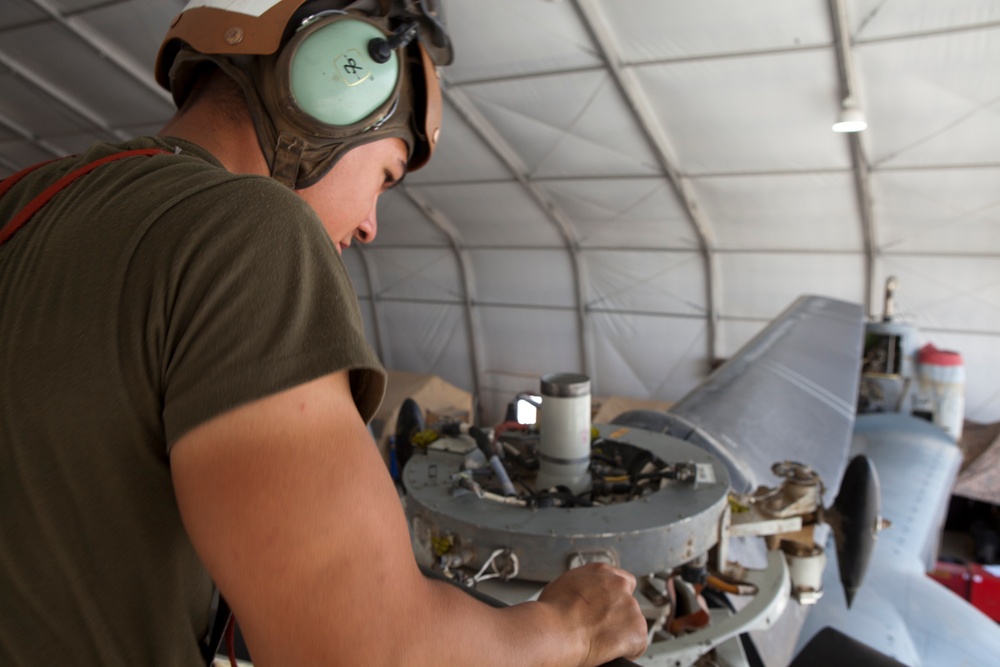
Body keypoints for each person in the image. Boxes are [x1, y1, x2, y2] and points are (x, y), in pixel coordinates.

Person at [0, 1, 648, 665]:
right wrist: (572, 626)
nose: (369, 225)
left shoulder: (21, 201)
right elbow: (368, 651)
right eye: (387, 177)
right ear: (332, 84)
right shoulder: (245, 230)